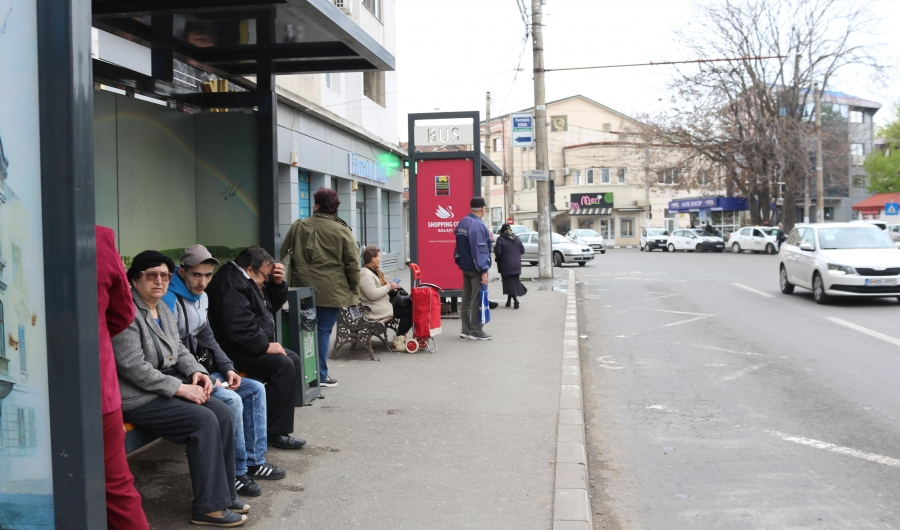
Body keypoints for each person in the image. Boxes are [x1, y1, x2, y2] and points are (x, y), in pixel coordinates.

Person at [111, 251, 246, 527]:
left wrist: (197, 372)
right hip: (138, 396)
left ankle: (224, 495)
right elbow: (133, 368)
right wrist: (180, 389)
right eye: (151, 275)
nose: (159, 281)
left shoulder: (162, 308)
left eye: (164, 275)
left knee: (222, 412)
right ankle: (208, 509)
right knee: (204, 420)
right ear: (135, 279)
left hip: (165, 384)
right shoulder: (127, 312)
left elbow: (180, 349)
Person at [162, 245, 287, 498]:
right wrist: (204, 376)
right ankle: (237, 473)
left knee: (253, 388)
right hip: (179, 377)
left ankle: (254, 460)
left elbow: (208, 337)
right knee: (231, 399)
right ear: (183, 272)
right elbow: (170, 352)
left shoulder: (202, 298)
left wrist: (228, 368)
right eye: (197, 275)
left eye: (208, 275)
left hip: (201, 370)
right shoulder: (168, 300)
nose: (203, 281)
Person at [206, 246, 306, 451]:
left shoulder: (247, 279)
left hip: (246, 345)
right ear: (250, 269)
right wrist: (264, 345)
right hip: (231, 351)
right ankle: (275, 431)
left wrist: (277, 284)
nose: (266, 280)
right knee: (283, 365)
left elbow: (269, 307)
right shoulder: (230, 283)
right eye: (265, 276)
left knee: (292, 359)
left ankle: (270, 424)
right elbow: (238, 325)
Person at [95, 226, 149, 530]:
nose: (159, 282)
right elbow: (120, 314)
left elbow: (195, 347)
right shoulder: (97, 238)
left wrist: (200, 369)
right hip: (96, 387)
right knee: (116, 488)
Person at [280, 187, 359, 387]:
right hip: (331, 290)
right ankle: (321, 374)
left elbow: (283, 252)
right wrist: (353, 289)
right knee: (322, 330)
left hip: (301, 287)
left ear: (316, 205)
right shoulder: (342, 230)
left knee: (303, 329)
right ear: (335, 208)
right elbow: (352, 264)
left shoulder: (299, 226)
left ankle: (300, 372)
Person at [359, 246, 413, 351]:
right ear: (373, 259)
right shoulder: (365, 273)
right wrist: (388, 287)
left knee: (410, 305)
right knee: (409, 311)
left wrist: (390, 286)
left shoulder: (374, 271)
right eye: (379, 256)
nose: (380, 259)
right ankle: (398, 341)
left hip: (382, 303)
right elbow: (371, 294)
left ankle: (400, 337)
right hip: (374, 308)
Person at [454, 197, 493, 341]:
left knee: (466, 299)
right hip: (477, 267)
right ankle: (476, 331)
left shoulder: (463, 222)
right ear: (483, 208)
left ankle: (465, 329)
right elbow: (480, 250)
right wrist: (483, 270)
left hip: (465, 266)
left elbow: (458, 246)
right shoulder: (477, 225)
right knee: (478, 298)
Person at [494, 224, 527, 309]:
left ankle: (515, 301)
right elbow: (522, 250)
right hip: (516, 265)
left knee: (509, 284)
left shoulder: (500, 239)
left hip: (506, 265)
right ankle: (508, 301)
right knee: (513, 283)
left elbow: (498, 253)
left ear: (502, 231)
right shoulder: (517, 238)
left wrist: (497, 260)